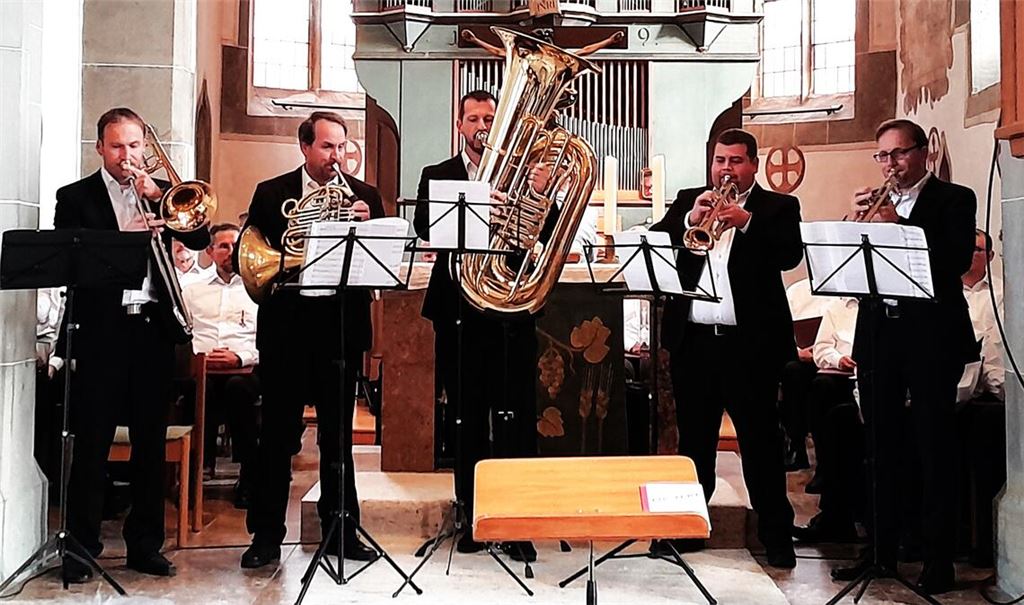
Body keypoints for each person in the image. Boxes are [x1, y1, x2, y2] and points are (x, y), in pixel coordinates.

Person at [53, 107, 211, 582]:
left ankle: (146, 546)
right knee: (92, 444)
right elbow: (70, 258)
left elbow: (200, 236)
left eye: (136, 146)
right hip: (101, 332)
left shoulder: (162, 196)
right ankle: (81, 547)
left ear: (147, 146)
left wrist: (160, 196)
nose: (128, 156)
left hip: (151, 331)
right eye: (117, 146)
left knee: (150, 445)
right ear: (100, 148)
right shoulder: (75, 197)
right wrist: (123, 239)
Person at [832, 119, 977, 594]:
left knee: (934, 448)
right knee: (879, 449)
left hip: (932, 339)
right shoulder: (876, 204)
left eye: (898, 154)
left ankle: (938, 559)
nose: (889, 165)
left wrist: (900, 227)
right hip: (880, 337)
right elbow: (854, 274)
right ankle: (880, 553)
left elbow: (954, 261)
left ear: (923, 154)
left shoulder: (955, 200)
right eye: (882, 156)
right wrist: (851, 231)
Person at [649, 128, 802, 568]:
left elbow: (789, 255)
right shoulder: (689, 200)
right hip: (694, 344)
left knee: (761, 445)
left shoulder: (778, 207)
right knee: (693, 445)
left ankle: (776, 536)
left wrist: (747, 223)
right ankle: (687, 528)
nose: (726, 170)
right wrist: (687, 222)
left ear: (753, 164)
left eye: (735, 161)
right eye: (720, 160)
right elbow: (660, 244)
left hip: (751, 347)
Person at [239, 111, 384, 569]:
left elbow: (374, 265)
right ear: (305, 147)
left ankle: (343, 530)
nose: (336, 157)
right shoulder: (272, 193)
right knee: (277, 437)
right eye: (326, 147)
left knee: (338, 440)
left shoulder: (364, 195)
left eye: (341, 147)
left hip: (339, 331)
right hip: (286, 331)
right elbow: (257, 257)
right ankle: (265, 536)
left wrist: (367, 223)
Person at [412, 90, 549, 562]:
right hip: (458, 313)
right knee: (466, 417)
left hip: (509, 313)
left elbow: (546, 238)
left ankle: (516, 520)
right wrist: (477, 208)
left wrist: (534, 196)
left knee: (515, 419)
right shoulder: (438, 175)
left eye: (490, 117)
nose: (482, 125)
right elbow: (426, 232)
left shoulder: (524, 175)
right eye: (473, 118)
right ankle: (471, 516)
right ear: (460, 125)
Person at [182, 223, 261, 507]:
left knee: (238, 389)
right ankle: (194, 474)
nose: (230, 252)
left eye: (235, 246)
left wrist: (240, 358)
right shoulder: (191, 291)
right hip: (203, 369)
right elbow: (184, 333)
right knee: (197, 392)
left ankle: (249, 476)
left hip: (246, 367)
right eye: (223, 246)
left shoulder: (257, 287)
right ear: (209, 251)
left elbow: (265, 339)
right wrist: (199, 358)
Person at [791, 297, 863, 543]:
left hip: (881, 384)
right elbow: (821, 350)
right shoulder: (839, 307)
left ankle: (839, 516)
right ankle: (834, 512)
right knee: (824, 395)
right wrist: (839, 360)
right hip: (842, 377)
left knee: (839, 419)